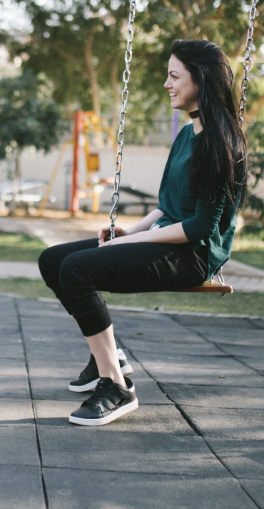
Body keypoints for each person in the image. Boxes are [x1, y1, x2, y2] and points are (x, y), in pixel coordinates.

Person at [38, 40, 246, 426]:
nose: (167, 84)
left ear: (200, 79)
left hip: (195, 254)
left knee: (77, 271)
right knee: (53, 261)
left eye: (174, 75)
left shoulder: (220, 142)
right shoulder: (187, 135)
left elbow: (200, 226)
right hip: (168, 236)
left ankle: (115, 385)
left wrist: (135, 240)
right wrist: (129, 230)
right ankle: (109, 355)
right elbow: (167, 205)